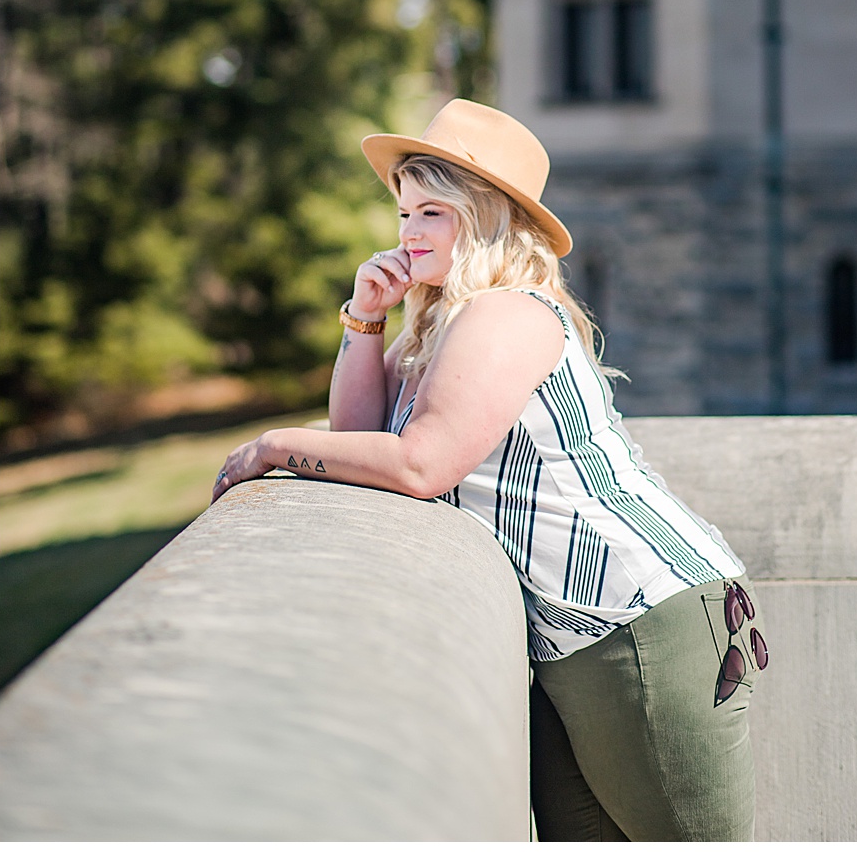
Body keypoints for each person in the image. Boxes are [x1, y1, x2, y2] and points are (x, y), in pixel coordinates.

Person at [211, 100, 765, 841]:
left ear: (487, 216)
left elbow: (418, 464)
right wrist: (364, 320)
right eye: (404, 211)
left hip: (645, 618)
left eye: (432, 212)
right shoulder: (445, 321)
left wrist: (271, 446)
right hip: (577, 635)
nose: (408, 232)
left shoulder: (506, 314)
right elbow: (360, 443)